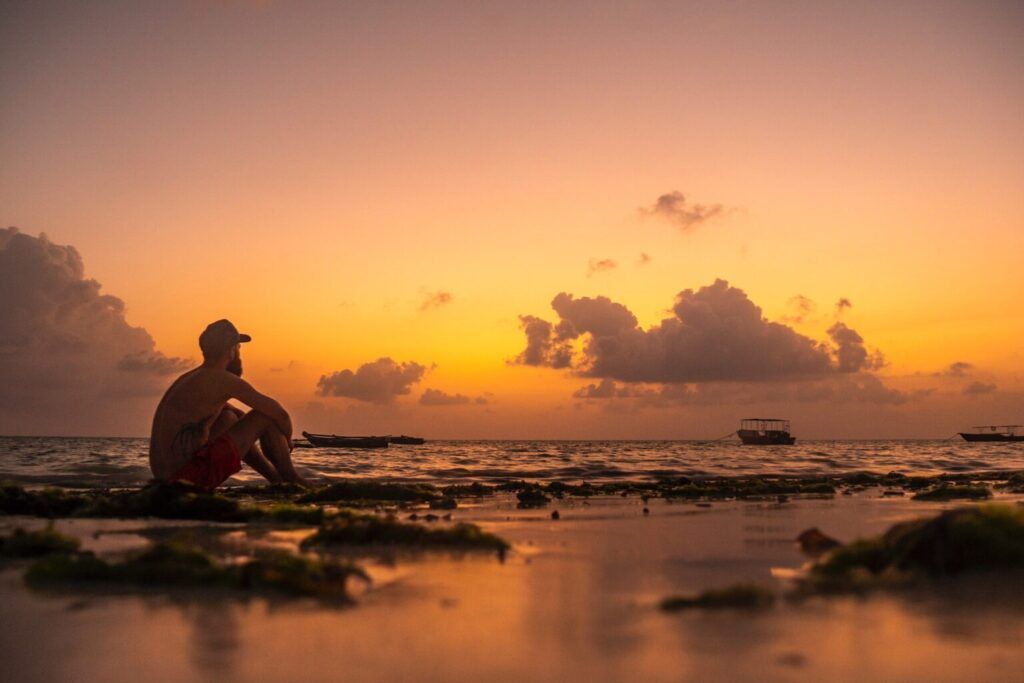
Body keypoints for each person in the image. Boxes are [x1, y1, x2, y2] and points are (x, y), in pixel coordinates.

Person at [148, 319, 310, 489]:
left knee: (229, 417)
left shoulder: (191, 378)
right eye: (238, 347)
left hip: (166, 480)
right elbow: (279, 413)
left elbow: (234, 415)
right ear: (231, 350)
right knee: (264, 416)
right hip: (190, 479)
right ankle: (291, 479)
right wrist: (288, 440)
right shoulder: (222, 379)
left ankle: (275, 478)